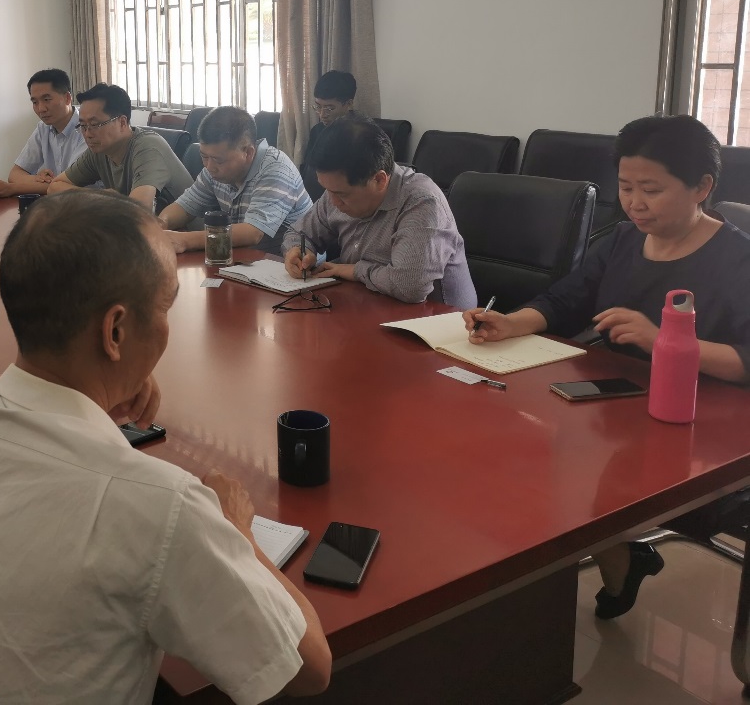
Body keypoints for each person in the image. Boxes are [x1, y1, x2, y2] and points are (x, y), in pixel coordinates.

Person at [0, 192, 332, 704]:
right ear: (116, 330)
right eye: (166, 306)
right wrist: (236, 532)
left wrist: (100, 391)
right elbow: (308, 670)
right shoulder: (161, 507)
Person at [463, 114, 750, 620]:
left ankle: (614, 557)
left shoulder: (737, 259)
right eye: (626, 187)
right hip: (618, 403)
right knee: (522, 456)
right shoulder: (622, 239)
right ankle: (616, 557)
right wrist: (511, 323)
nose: (635, 203)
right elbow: (566, 300)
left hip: (702, 423)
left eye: (651, 190)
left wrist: (664, 341)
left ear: (702, 187)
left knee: (569, 484)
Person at [284, 116, 475, 308]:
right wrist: (297, 251)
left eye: (341, 194)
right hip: (367, 305)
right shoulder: (337, 189)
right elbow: (299, 233)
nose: (332, 202)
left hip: (437, 318)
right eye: (327, 190)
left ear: (379, 180)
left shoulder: (422, 202)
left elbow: (409, 287)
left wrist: (355, 271)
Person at [158, 106, 312, 255]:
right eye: (204, 156)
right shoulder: (214, 170)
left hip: (291, 265)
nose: (209, 166)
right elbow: (185, 207)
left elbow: (252, 233)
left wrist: (184, 240)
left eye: (218, 160)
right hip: (245, 262)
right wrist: (160, 226)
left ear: (248, 152)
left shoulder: (276, 169)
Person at [48, 82, 193, 212]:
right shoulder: (99, 150)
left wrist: (102, 200)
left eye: (94, 124)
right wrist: (99, 196)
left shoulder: (148, 147)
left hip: (180, 230)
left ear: (122, 122)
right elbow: (55, 187)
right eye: (83, 125)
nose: (87, 134)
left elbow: (138, 209)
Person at [0, 68, 87, 198]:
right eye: (35, 102)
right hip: (55, 203)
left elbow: (68, 185)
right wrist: (37, 178)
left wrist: (13, 188)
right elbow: (15, 174)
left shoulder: (87, 127)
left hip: (85, 204)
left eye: (47, 99)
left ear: (67, 98)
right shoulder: (43, 128)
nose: (41, 109)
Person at [300, 71, 357, 202]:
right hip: (311, 203)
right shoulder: (317, 131)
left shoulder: (361, 136)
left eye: (329, 108)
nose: (322, 115)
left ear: (349, 104)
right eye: (318, 106)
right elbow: (308, 172)